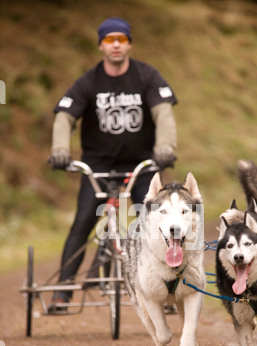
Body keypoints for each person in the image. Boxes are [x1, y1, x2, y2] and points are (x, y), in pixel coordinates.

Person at [48, 17, 178, 311]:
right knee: (83, 222)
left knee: (154, 223)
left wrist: (165, 149)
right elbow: (65, 116)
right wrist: (59, 150)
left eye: (121, 38)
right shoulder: (89, 81)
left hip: (142, 164)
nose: (116, 44)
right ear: (101, 46)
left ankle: (166, 290)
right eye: (109, 40)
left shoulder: (147, 76)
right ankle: (63, 291)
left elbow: (163, 113)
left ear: (129, 43)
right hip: (97, 165)